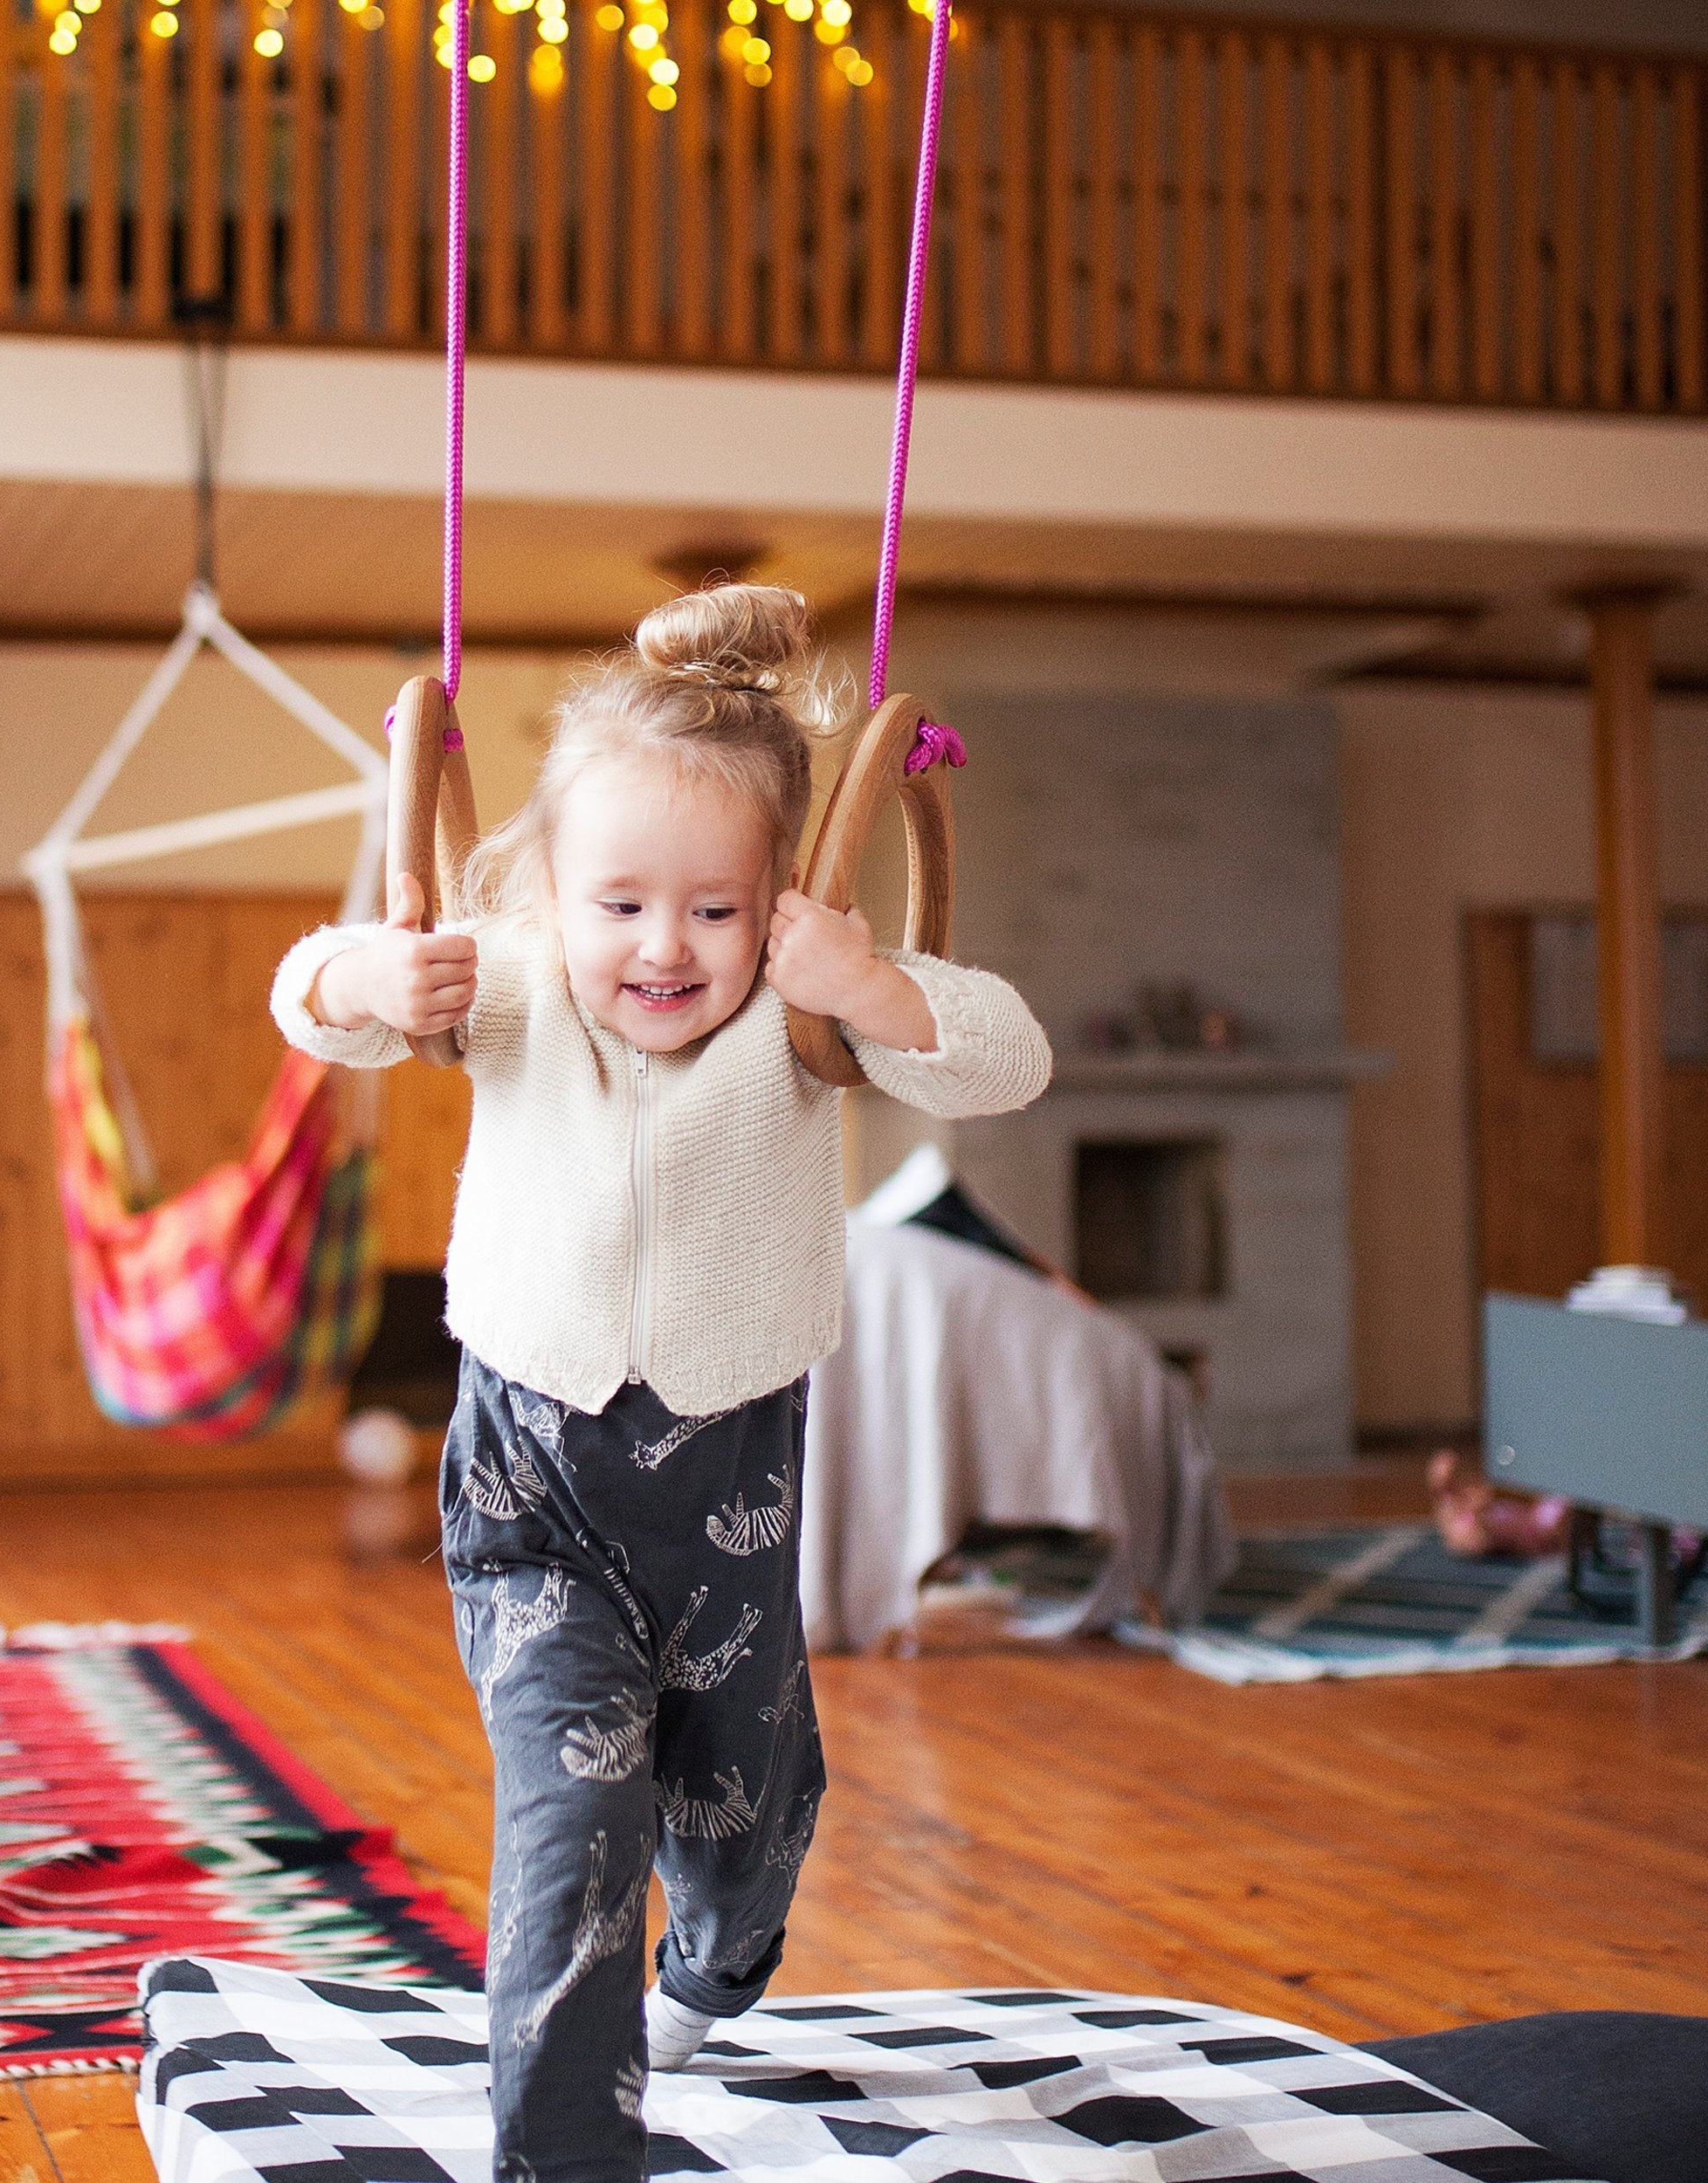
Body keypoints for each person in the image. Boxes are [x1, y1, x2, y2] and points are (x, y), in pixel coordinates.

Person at [270, 583, 1050, 2181]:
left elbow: (1008, 1057)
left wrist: (872, 983)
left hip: (729, 1484)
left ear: (780, 901)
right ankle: (561, 2152)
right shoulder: (507, 982)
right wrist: (366, 982)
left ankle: (717, 1966)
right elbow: (307, 994)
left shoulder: (804, 1019)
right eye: (620, 902)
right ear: (546, 887)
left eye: (715, 908)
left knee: (739, 1815)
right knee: (574, 1808)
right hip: (532, 1482)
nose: (663, 946)